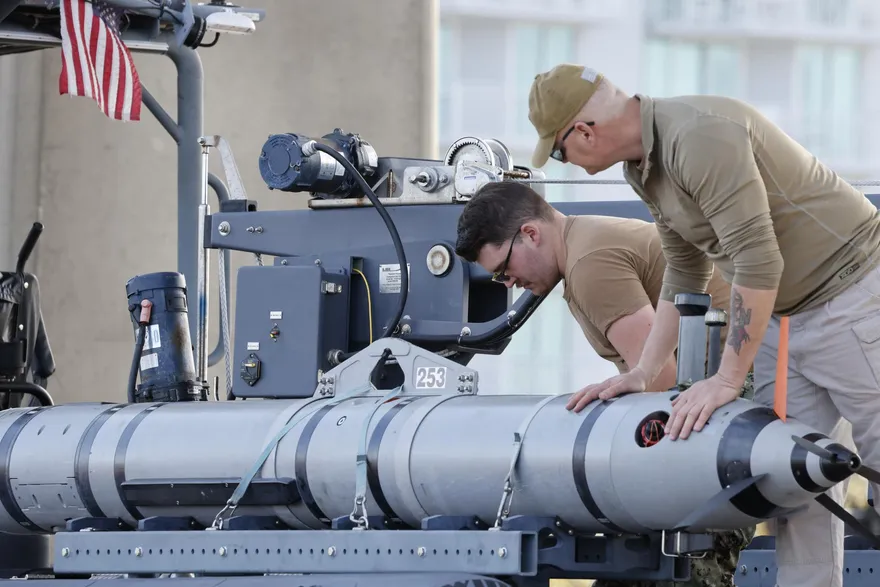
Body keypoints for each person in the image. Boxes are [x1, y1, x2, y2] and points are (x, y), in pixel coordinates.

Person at [524, 62, 880, 587]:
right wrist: (643, 372)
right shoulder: (642, 166)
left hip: (851, 294)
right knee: (793, 484)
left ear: (583, 131)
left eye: (558, 151)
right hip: (783, 316)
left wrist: (728, 379)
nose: (566, 163)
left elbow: (759, 261)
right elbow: (684, 270)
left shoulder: (698, 137)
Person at [453, 180, 756, 587]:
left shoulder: (589, 265)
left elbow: (661, 383)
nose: (509, 284)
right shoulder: (585, 243)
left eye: (505, 270)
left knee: (688, 569)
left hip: (726, 395)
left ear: (530, 233)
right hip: (716, 391)